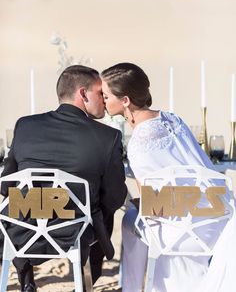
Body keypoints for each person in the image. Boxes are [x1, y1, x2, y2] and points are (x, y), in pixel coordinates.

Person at [101, 62, 236, 292]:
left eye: (105, 95)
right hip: (217, 223)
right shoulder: (174, 119)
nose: (103, 100)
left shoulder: (137, 145)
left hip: (181, 233)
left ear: (125, 101)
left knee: (128, 220)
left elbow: (152, 207)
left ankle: (131, 289)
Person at [1, 65, 127, 292]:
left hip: (22, 231)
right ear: (82, 94)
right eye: (100, 93)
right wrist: (89, 208)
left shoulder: (25, 126)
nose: (105, 100)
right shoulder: (108, 137)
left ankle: (26, 278)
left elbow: (6, 184)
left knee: (20, 204)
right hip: (75, 232)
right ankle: (87, 278)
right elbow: (116, 197)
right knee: (102, 213)